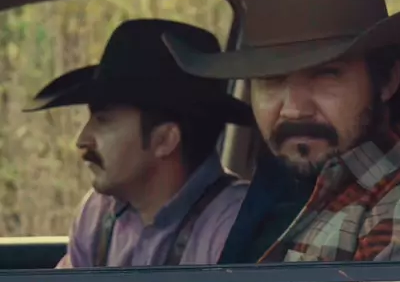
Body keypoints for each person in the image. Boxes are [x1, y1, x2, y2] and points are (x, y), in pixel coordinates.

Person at [163, 0, 400, 264]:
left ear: (386, 79)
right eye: (271, 80)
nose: (294, 109)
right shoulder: (281, 189)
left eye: (326, 75)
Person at [25, 19, 253, 267]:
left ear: (164, 140)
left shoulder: (233, 224)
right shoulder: (98, 213)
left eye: (103, 120)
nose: (82, 140)